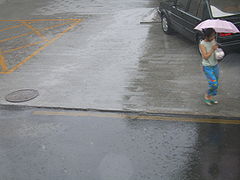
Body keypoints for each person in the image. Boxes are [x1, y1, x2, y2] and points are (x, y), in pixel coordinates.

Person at [199, 28, 219, 105]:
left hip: (215, 65)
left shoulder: (213, 41)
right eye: (212, 36)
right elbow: (205, 56)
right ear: (207, 36)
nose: (213, 37)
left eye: (214, 35)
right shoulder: (202, 44)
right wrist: (212, 49)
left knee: (216, 83)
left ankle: (210, 97)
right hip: (207, 67)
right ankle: (207, 95)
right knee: (214, 84)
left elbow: (215, 51)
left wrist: (217, 50)